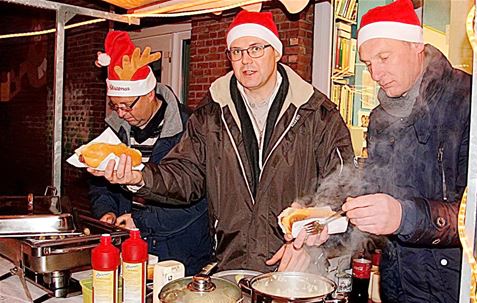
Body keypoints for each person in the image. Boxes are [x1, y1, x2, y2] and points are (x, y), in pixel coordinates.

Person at [88, 11, 354, 272]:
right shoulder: (211, 112)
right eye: (236, 52)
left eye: (255, 49)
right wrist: (140, 177)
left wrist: (310, 235)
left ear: (276, 51)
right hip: (232, 261)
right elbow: (186, 174)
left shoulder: (316, 113)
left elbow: (342, 184)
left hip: (294, 263)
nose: (245, 60)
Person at [339, 0, 477, 303]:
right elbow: (374, 192)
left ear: (416, 46)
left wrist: (403, 216)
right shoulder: (380, 118)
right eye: (367, 63)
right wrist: (331, 224)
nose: (375, 72)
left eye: (384, 57)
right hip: (410, 297)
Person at [89, 31, 213, 276]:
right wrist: (107, 211)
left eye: (127, 105)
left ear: (149, 94)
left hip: (181, 252)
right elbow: (99, 183)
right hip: (130, 246)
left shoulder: (190, 128)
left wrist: (140, 221)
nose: (121, 113)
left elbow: (198, 198)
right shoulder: (116, 130)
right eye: (115, 105)